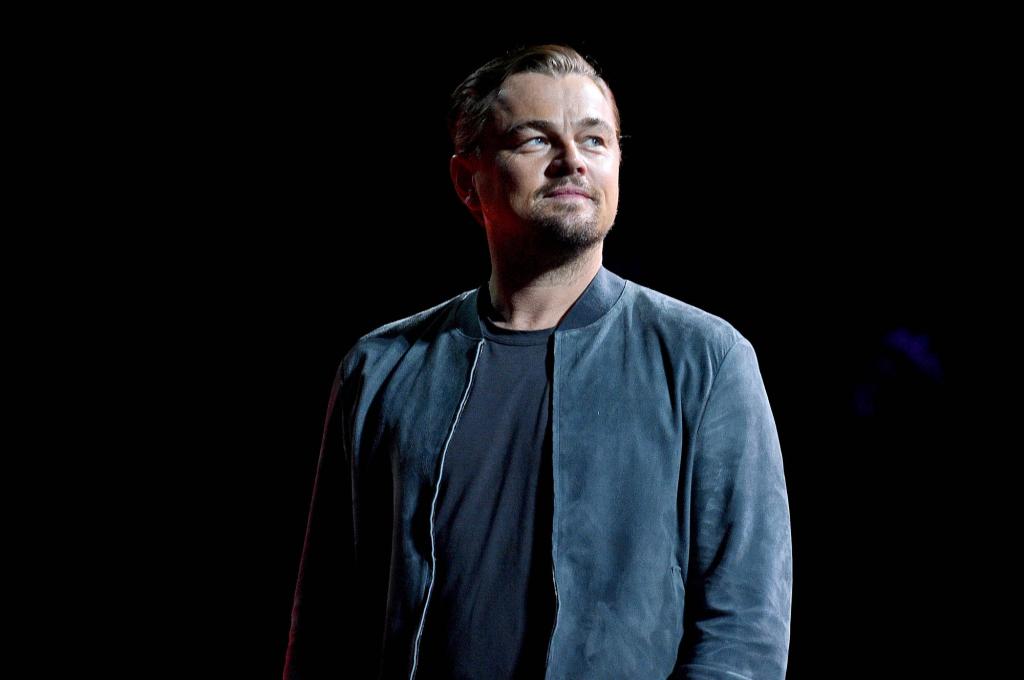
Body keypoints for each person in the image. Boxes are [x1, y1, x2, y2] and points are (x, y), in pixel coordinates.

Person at [283, 43, 793, 680]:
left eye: (595, 140)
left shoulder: (706, 360)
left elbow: (742, 633)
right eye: (534, 140)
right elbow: (328, 621)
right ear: (468, 181)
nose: (572, 161)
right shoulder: (379, 368)